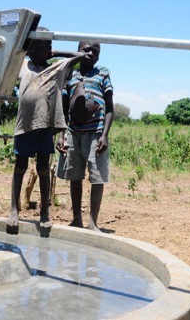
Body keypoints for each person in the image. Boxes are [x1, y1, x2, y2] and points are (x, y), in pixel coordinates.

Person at [6, 38, 86, 236]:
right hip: (25, 126)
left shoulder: (58, 69)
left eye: (38, 47)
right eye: (30, 46)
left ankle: (44, 212)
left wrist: (55, 52)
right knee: (20, 168)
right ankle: (14, 210)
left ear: (48, 49)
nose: (32, 50)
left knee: (43, 169)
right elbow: (13, 53)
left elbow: (81, 56)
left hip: (45, 126)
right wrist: (30, 46)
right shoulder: (24, 65)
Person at [56, 42, 113, 233]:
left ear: (99, 56)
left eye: (94, 52)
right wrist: (61, 134)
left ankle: (93, 222)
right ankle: (76, 219)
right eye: (85, 50)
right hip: (73, 133)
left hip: (96, 133)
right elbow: (64, 108)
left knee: (96, 177)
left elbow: (110, 108)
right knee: (74, 176)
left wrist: (104, 135)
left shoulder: (103, 75)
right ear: (77, 51)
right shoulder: (70, 76)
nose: (89, 54)